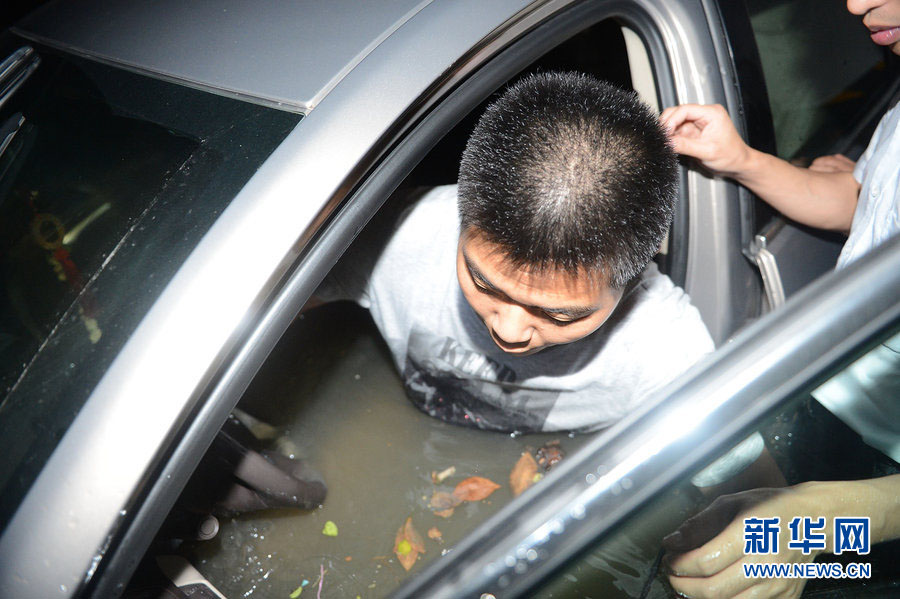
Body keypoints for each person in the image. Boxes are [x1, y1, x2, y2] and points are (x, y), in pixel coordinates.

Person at [315, 71, 716, 434]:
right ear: (461, 220)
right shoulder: (395, 238)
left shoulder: (667, 359)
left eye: (557, 314)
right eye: (482, 283)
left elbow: (745, 496)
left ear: (632, 282)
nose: (508, 332)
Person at [659, 1, 900, 596]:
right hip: (831, 409)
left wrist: (843, 514)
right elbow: (858, 199)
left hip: (885, 494)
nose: (855, 2)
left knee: (836, 581)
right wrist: (740, 160)